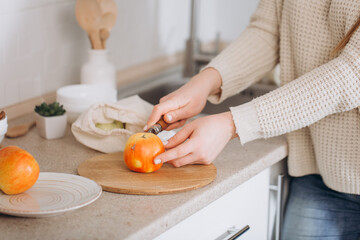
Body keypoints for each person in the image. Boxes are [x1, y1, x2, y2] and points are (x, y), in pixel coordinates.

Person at [144, 0, 360, 238]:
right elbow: (268, 32)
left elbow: (351, 75)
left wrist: (233, 124)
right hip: (318, 172)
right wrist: (204, 82)